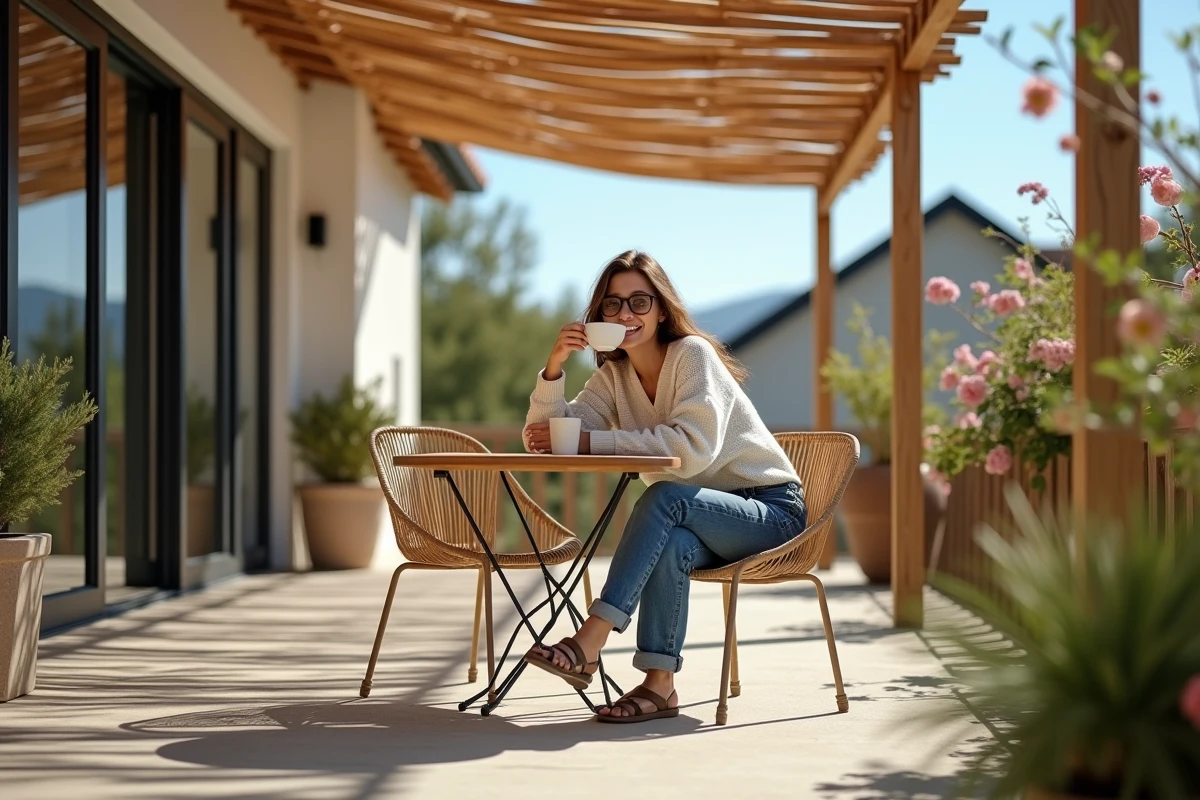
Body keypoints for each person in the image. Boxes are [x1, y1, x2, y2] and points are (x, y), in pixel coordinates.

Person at [521, 250, 807, 724]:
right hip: (700, 521)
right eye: (612, 305)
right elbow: (550, 437)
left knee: (664, 496)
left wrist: (592, 440)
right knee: (669, 537)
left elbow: (691, 449)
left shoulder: (692, 356)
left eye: (639, 301)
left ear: (660, 308)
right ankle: (659, 687)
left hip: (768, 512)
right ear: (598, 315)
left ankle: (588, 641)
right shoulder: (614, 376)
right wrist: (554, 367)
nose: (626, 314)